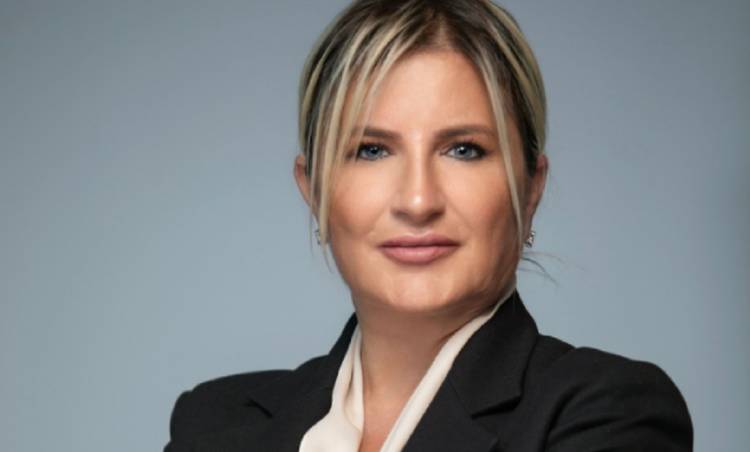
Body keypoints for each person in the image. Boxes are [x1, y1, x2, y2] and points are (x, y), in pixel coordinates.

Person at [164, 1, 693, 451]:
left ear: (531, 187)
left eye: (463, 150)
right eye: (371, 150)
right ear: (314, 190)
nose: (418, 201)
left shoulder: (610, 413)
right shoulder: (214, 426)